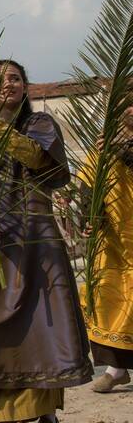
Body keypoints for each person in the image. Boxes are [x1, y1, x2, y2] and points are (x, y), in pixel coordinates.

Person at [0, 60, 92, 423]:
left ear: (25, 86)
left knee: (40, 327)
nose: (6, 84)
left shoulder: (39, 125)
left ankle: (40, 411)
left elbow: (39, 159)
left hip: (38, 242)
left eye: (14, 78)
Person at [81, 99, 133, 393]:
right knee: (112, 300)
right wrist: (88, 218)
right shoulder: (102, 149)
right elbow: (88, 182)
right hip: (113, 238)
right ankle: (117, 369)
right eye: (128, 106)